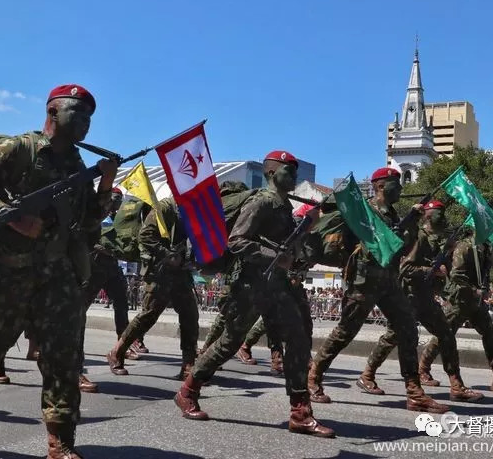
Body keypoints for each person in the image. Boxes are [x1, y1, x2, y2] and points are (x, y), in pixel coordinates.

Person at [0, 84, 118, 458]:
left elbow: (87, 222)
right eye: (77, 113)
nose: (85, 123)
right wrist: (9, 217)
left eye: (89, 117)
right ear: (52, 112)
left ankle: (61, 440)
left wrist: (106, 184)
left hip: (56, 275)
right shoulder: (19, 149)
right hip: (7, 271)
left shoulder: (78, 166)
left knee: (65, 356)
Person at [175, 150, 335, 438]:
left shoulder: (283, 205)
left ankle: (300, 411)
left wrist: (306, 228)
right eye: (289, 170)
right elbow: (237, 241)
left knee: (297, 339)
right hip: (250, 284)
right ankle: (188, 390)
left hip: (276, 285)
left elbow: (284, 248)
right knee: (229, 342)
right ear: (272, 172)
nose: (294, 176)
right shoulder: (262, 201)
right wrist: (274, 254)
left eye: (296, 172)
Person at [308, 167, 448, 414]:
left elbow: (404, 249)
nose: (401, 189)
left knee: (407, 328)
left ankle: (414, 392)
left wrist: (412, 222)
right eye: (396, 184)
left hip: (389, 282)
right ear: (380, 186)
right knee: (345, 331)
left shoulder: (394, 215)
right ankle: (312, 377)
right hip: (364, 281)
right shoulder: (362, 211)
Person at [356, 200, 483, 402]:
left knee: (446, 335)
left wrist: (447, 254)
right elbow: (406, 268)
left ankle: (456, 385)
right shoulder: (419, 237)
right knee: (393, 336)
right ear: (427, 216)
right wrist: (432, 270)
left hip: (424, 297)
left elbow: (442, 271)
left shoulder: (436, 240)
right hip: (408, 297)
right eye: (439, 214)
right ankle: (367, 374)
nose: (443, 218)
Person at [106, 196, 199, 379]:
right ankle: (117, 352)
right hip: (160, 271)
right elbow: (145, 235)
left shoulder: (194, 210)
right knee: (148, 315)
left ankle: (188, 364)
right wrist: (169, 255)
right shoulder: (165, 207)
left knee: (190, 315)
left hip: (181, 273)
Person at [418, 231, 493, 395]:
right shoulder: (465, 246)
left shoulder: (485, 248)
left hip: (476, 302)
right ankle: (422, 369)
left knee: (490, 336)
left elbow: (483, 275)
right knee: (443, 335)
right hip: (459, 300)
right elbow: (456, 274)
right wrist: (474, 290)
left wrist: (484, 289)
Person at [79, 187, 134, 393]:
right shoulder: (94, 211)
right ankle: (74, 367)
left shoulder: (119, 219)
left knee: (122, 305)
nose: (117, 203)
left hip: (111, 267)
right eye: (115, 199)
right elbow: (83, 235)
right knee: (78, 313)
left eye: (120, 200)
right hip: (92, 267)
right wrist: (96, 246)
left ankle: (121, 348)